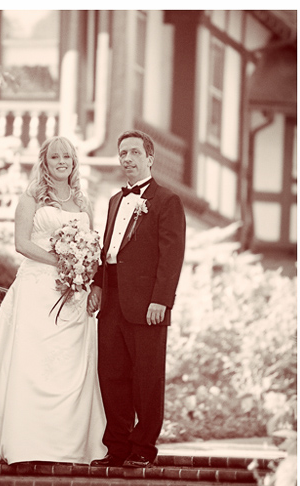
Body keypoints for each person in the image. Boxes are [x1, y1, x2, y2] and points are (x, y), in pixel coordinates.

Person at [0, 136, 107, 464]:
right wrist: (63, 262)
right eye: (55, 157)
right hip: (37, 289)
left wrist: (85, 270)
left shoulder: (83, 201)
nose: (62, 162)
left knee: (72, 366)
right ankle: (26, 443)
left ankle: (69, 444)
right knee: (32, 363)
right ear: (45, 161)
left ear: (74, 163)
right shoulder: (31, 197)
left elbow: (93, 245)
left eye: (67, 157)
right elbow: (21, 243)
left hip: (75, 293)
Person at [88, 130, 186, 468]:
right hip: (112, 300)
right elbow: (108, 251)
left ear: (149, 158)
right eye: (122, 153)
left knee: (146, 376)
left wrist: (162, 300)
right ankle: (117, 447)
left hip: (147, 306)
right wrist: (98, 287)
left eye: (133, 153)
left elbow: (172, 256)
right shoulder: (115, 200)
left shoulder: (167, 200)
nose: (126, 159)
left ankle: (143, 447)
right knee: (111, 373)